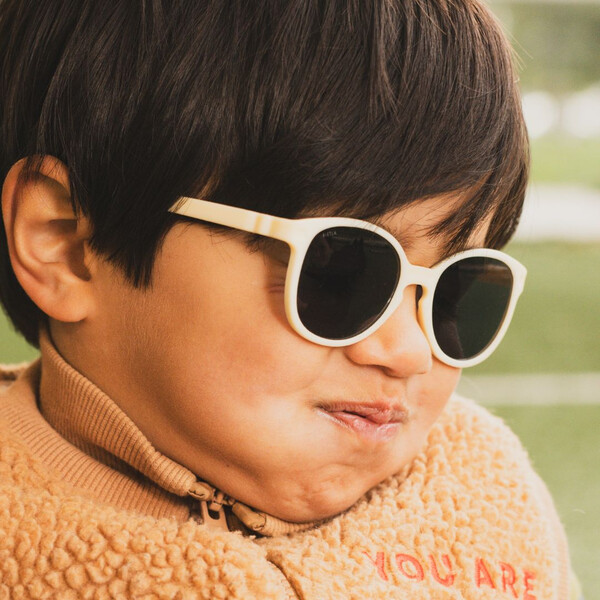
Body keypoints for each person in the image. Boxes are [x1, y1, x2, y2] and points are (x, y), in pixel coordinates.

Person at [0, 1, 579, 598]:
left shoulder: (490, 504)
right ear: (66, 245)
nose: (409, 352)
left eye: (455, 287)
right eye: (343, 271)